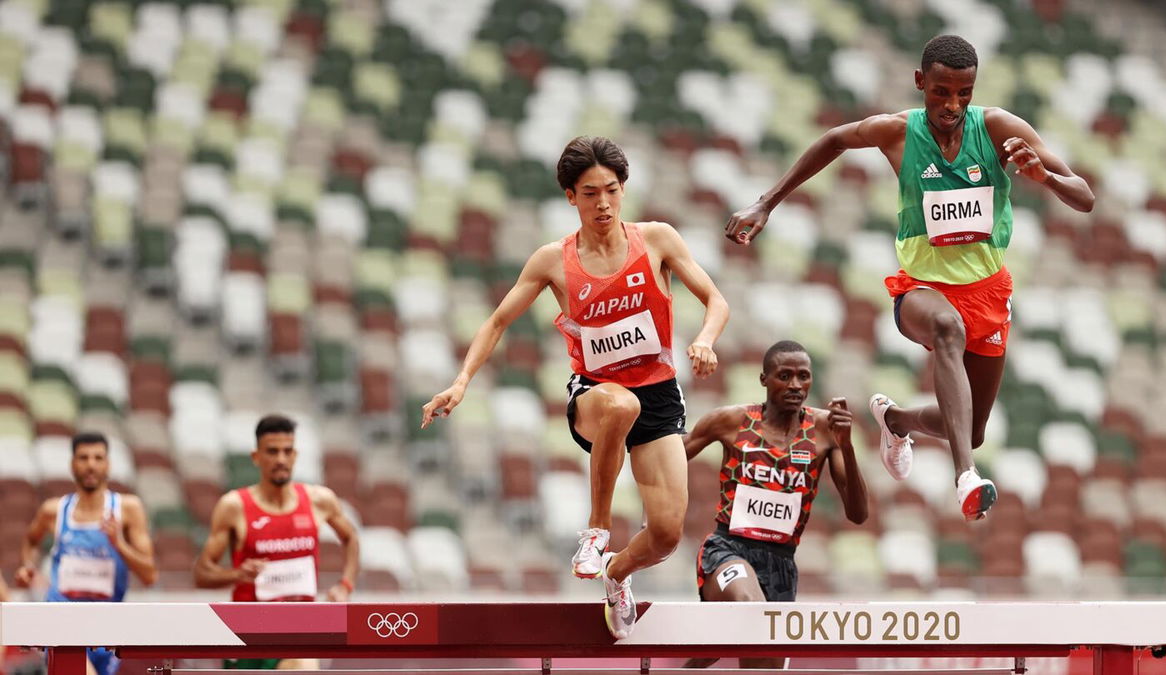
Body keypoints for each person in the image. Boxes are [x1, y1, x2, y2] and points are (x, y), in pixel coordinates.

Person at [725, 35, 1094, 520]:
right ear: (920, 82)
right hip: (922, 290)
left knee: (971, 425)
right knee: (947, 330)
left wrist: (1045, 178)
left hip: (988, 292)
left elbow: (1084, 196)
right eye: (941, 91)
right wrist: (765, 202)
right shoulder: (898, 132)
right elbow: (834, 139)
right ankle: (966, 474)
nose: (952, 104)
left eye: (964, 93)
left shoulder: (999, 127)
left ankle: (896, 420)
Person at [421, 136, 730, 639]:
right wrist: (460, 382)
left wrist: (706, 339)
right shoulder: (552, 260)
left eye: (610, 190)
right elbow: (497, 321)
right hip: (595, 393)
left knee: (667, 534)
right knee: (618, 404)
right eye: (589, 194)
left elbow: (715, 299)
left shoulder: (657, 240)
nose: (602, 203)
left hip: (659, 395)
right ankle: (595, 531)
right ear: (571, 197)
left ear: (624, 189)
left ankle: (614, 574)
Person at [683, 341, 867, 669]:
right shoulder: (731, 420)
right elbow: (667, 460)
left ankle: (700, 657)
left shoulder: (826, 430)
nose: (795, 385)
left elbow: (857, 514)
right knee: (748, 607)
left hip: (782, 565)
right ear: (764, 379)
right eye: (785, 375)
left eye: (803, 377)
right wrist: (655, 513)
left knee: (753, 659)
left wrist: (847, 447)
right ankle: (708, 647)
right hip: (728, 550)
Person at [194, 415, 359, 670]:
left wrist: (345, 585)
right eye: (272, 451)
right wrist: (237, 574)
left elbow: (350, 537)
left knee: (303, 666)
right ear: (256, 457)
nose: (281, 459)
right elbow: (202, 574)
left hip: (299, 631)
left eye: (287, 451)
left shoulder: (319, 500)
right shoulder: (234, 506)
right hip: (246, 633)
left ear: (295, 455)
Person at [14, 432, 158, 675]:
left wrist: (118, 543)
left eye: (98, 458)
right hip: (61, 621)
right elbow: (30, 541)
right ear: (72, 464)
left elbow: (149, 575)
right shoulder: (54, 510)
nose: (90, 464)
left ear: (108, 464)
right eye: (83, 458)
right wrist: (29, 565)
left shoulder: (127, 509)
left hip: (107, 628)